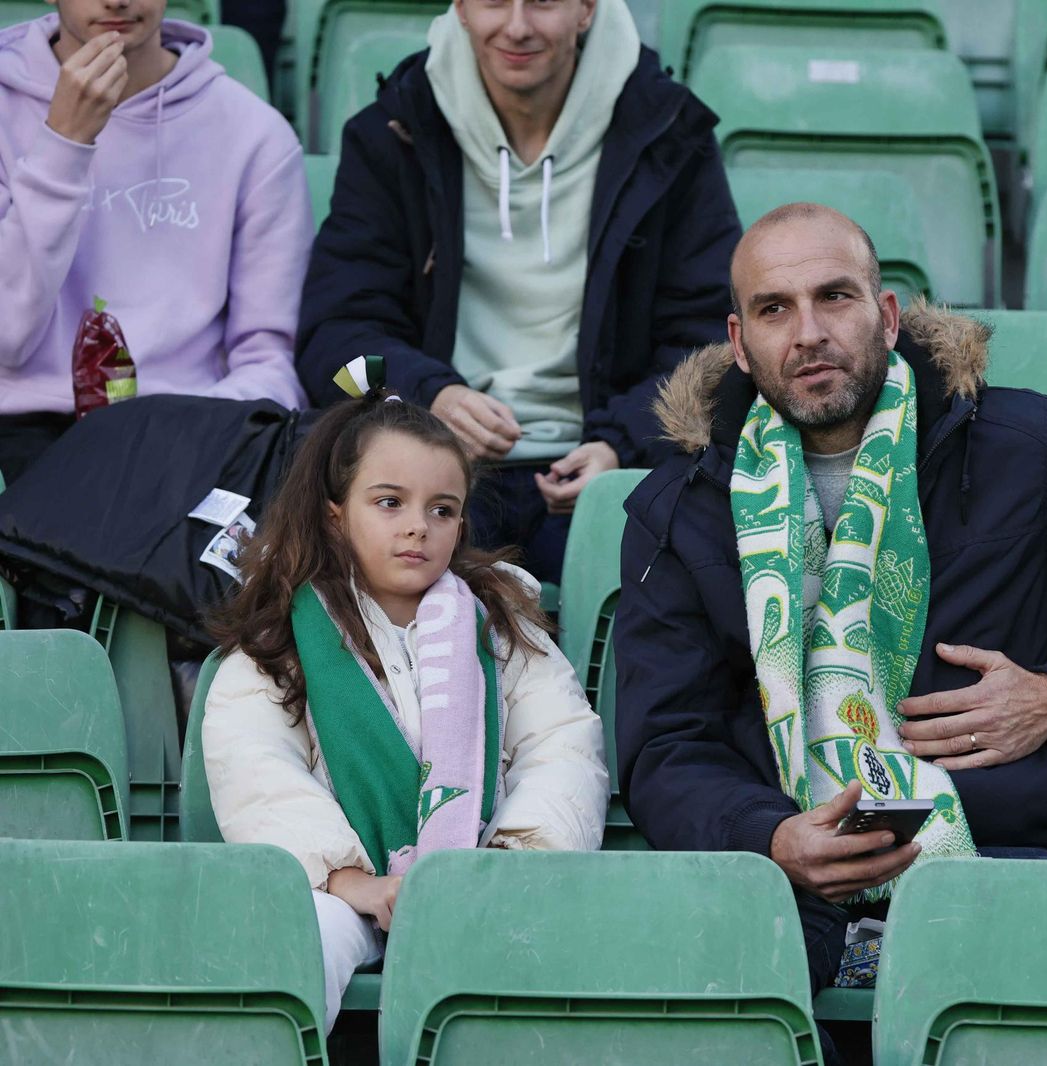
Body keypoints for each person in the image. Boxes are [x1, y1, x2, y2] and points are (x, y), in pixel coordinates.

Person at [614, 204, 1047, 1012]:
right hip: (776, 883)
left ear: (887, 313)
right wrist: (768, 837)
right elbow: (665, 742)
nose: (808, 333)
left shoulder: (1031, 448)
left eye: (835, 297)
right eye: (775, 310)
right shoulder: (678, 507)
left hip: (996, 849)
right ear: (738, 342)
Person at [204, 368, 608, 1027]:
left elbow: (560, 745)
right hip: (343, 887)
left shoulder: (501, 621)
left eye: (441, 509)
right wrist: (350, 883)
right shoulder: (282, 632)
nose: (418, 526)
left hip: (486, 882)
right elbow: (255, 768)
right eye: (389, 502)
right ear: (336, 518)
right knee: (298, 939)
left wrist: (509, 866)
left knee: (547, 952)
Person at [296, 0, 741, 582]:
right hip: (431, 466)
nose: (517, 25)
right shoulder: (394, 129)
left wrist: (621, 446)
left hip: (608, 469)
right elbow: (334, 334)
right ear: (459, 7)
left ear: (585, 9)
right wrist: (432, 396)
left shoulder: (668, 133)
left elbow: (711, 340)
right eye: (493, 2)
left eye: (543, 2)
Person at [0, 0, 310, 484]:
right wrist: (64, 143)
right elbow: (6, 338)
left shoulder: (255, 135)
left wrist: (181, 433)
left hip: (192, 428)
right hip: (24, 426)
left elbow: (266, 358)